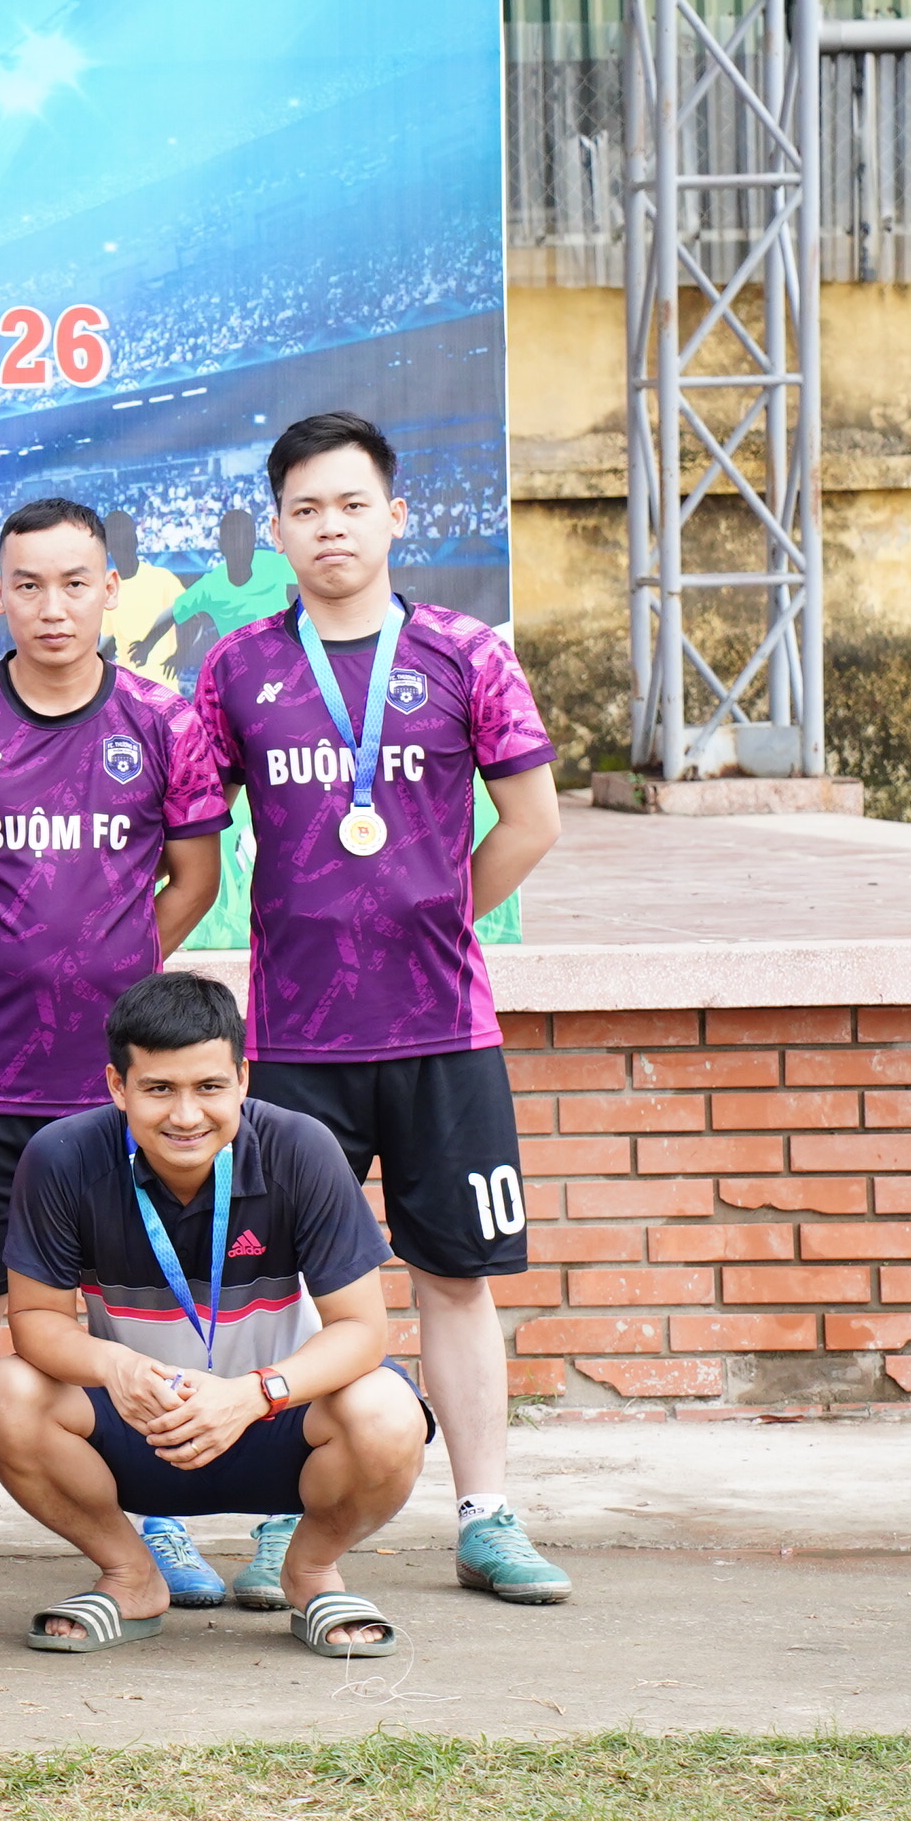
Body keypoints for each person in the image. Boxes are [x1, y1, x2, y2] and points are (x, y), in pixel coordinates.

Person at [190, 411, 565, 1605]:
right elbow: (192, 831)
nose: (330, 527)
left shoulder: (464, 653)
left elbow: (531, 820)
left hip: (441, 1029)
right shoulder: (236, 668)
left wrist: (437, 914)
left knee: (453, 1274)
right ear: (276, 527)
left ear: (394, 516)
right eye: (305, 508)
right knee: (284, 1290)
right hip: (293, 1036)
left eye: (351, 504)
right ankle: (281, 1515)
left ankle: (485, 1513)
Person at [0, 497, 228, 1609]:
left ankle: (154, 1516)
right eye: (27, 584)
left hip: (125, 1086)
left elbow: (194, 877)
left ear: (107, 590)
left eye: (74, 582)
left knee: (138, 1306)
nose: (52, 606)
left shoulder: (164, 721)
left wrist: (119, 972)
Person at [0, 971, 425, 1659]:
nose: (187, 1116)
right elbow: (36, 1319)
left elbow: (362, 1330)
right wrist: (116, 1366)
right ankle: (130, 1576)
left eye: (210, 1087)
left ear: (243, 1079)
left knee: (389, 1412)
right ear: (118, 1086)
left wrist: (253, 1395)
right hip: (138, 1423)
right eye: (159, 1089)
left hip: (278, 1421)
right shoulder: (62, 1157)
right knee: (7, 1392)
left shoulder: (300, 1149)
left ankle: (311, 1573)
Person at [136, 504, 291, 682]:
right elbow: (173, 613)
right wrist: (147, 644)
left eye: (245, 537)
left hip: (285, 666)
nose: (239, 545)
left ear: (253, 541)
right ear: (221, 545)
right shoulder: (210, 586)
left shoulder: (274, 564)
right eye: (233, 539)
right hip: (245, 677)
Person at [100, 509, 186, 689]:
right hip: (128, 691)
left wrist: (180, 654)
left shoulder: (163, 579)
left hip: (163, 690)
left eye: (127, 540)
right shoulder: (107, 587)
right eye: (117, 542)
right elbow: (109, 641)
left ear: (136, 541)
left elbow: (193, 619)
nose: (123, 547)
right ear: (108, 547)